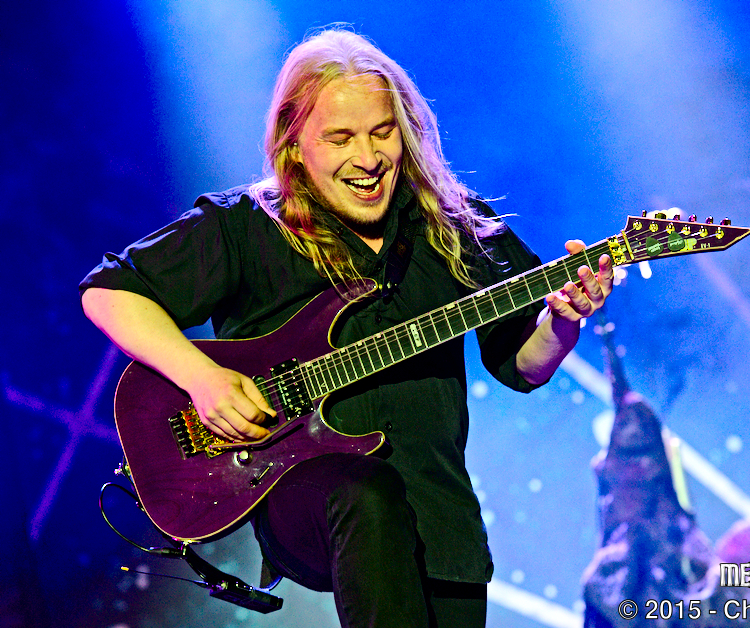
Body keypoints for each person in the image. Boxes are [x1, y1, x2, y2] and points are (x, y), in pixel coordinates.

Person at [81, 28, 613, 628]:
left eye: (383, 132)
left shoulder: (458, 228)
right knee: (367, 495)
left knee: (391, 512)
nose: (368, 159)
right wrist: (203, 380)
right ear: (292, 141)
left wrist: (562, 322)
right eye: (340, 139)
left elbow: (523, 365)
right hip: (304, 496)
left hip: (439, 521)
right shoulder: (245, 227)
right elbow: (109, 292)